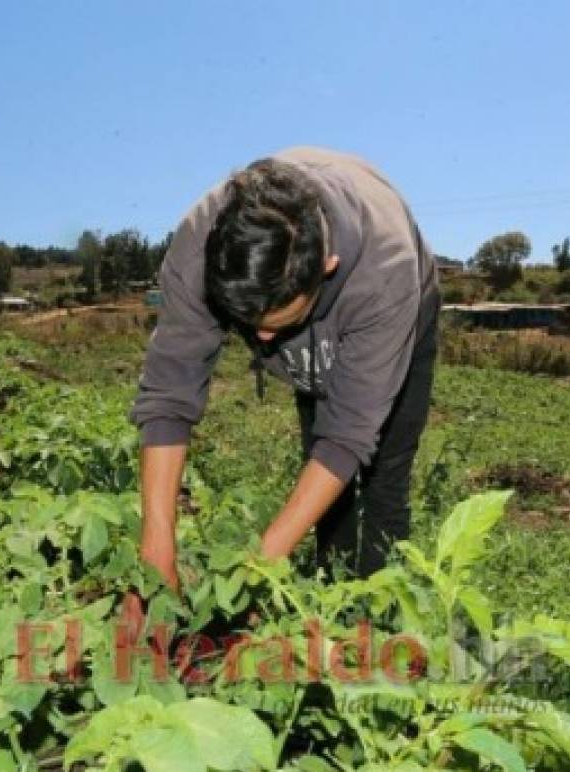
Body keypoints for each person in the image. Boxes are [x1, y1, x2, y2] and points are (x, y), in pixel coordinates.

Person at [130, 146, 439, 588]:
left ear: (326, 269)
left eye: (280, 323)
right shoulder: (200, 244)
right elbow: (167, 395)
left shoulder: (384, 271)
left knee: (383, 477)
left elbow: (348, 434)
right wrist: (156, 550)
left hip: (402, 315)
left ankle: (373, 614)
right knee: (320, 460)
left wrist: (256, 568)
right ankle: (327, 588)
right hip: (318, 318)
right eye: (250, 326)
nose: (265, 342)